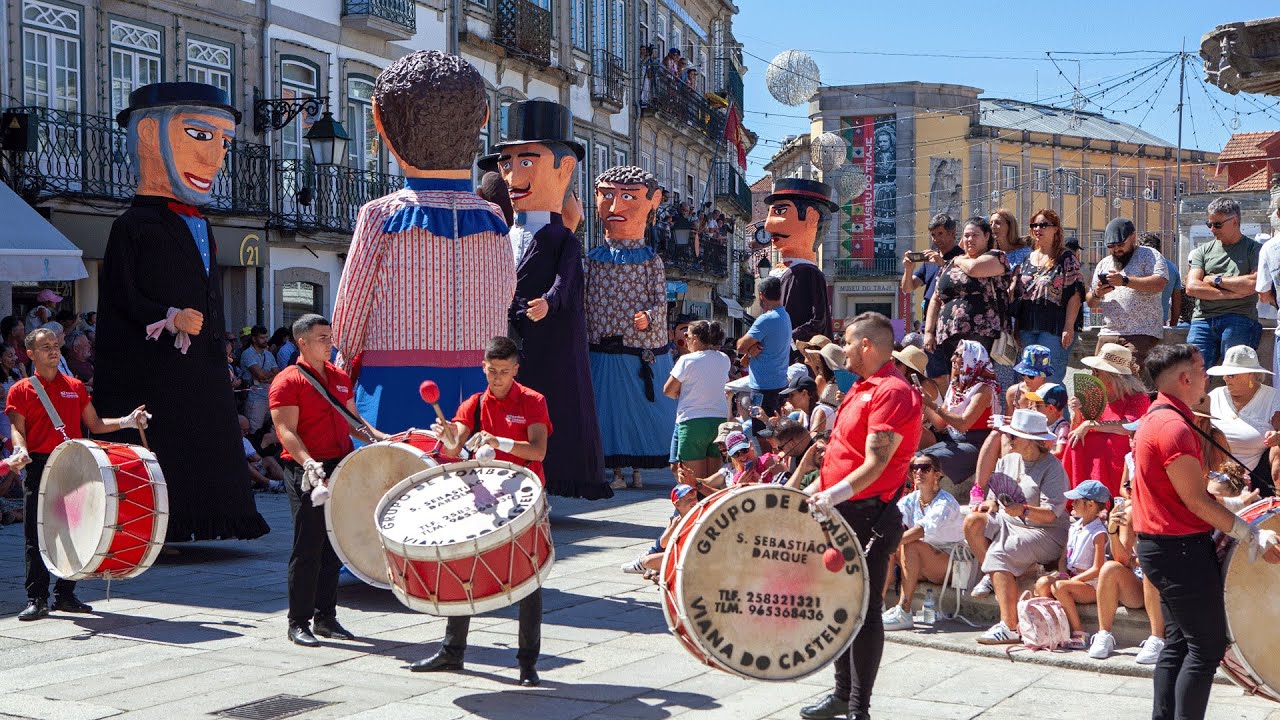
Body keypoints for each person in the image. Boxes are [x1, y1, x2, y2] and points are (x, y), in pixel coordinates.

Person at [94, 81, 268, 542]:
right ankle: (162, 523)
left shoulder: (201, 223)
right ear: (149, 135)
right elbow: (122, 295)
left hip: (202, 362)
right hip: (151, 368)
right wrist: (170, 317)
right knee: (168, 443)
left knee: (207, 440)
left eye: (224, 143)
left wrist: (217, 344)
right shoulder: (132, 225)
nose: (216, 158)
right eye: (199, 135)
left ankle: (214, 518)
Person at [332, 51, 516, 438]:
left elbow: (350, 313)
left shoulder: (381, 215)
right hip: (481, 385)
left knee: (396, 471)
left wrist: (343, 364)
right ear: (483, 118)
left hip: (394, 386)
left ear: (379, 120)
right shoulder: (494, 218)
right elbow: (506, 293)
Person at [1131, 343, 1280, 720]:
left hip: (1163, 547)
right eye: (1201, 372)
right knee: (1205, 648)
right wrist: (1251, 533)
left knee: (1179, 644)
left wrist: (1234, 506)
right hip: (1180, 550)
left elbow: (1184, 496)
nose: (1206, 379)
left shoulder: (1159, 417)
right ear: (1185, 379)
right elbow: (1196, 502)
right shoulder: (1173, 429)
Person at [800, 312, 922, 720]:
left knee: (864, 610)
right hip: (841, 510)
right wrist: (812, 492)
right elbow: (843, 455)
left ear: (866, 345)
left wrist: (831, 495)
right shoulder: (862, 387)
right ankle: (841, 694)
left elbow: (877, 462)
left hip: (868, 513)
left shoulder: (893, 391)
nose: (844, 348)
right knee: (838, 604)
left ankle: (857, 707)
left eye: (848, 341)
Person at [413, 336, 551, 687]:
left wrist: (500, 441)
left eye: (504, 371)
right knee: (463, 570)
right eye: (491, 371)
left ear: (516, 369)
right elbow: (455, 443)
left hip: (524, 499)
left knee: (528, 579)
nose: (497, 378)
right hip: (482, 497)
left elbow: (538, 451)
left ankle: (527, 664)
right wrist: (448, 437)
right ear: (483, 367)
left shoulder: (533, 400)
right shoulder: (473, 404)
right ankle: (452, 650)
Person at [497, 100, 607, 500]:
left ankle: (555, 476)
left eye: (527, 162)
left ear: (564, 169)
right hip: (512, 338)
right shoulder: (503, 235)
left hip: (551, 339)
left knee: (552, 405)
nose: (513, 174)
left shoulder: (563, 238)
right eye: (507, 163)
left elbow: (568, 281)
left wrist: (548, 301)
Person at [9, 328, 150, 620]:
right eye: (45, 347)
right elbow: (17, 429)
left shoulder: (74, 386)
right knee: (36, 534)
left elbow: (95, 424)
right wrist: (19, 450)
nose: (53, 350)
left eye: (55, 345)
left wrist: (128, 420)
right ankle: (37, 598)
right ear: (31, 354)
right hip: (39, 465)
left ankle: (65, 595)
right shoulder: (21, 389)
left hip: (73, 464)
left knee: (75, 530)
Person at [269, 314, 388, 647]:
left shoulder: (339, 376)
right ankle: (298, 622)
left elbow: (353, 421)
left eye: (330, 337)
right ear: (302, 342)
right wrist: (308, 463)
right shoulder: (287, 381)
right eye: (322, 338)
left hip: (341, 466)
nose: (329, 343)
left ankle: (325, 618)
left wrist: (382, 438)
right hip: (305, 468)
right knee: (308, 546)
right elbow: (285, 430)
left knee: (336, 545)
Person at [586, 166, 677, 488]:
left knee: (635, 413)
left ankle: (636, 470)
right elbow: (583, 299)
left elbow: (660, 301)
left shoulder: (650, 261)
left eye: (628, 197)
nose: (615, 206)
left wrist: (649, 317)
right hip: (601, 351)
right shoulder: (593, 259)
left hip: (638, 353)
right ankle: (617, 471)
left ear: (653, 201)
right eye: (607, 196)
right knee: (608, 414)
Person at [963, 408, 1069, 644]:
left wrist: (1024, 510)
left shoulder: (1053, 468)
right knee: (972, 522)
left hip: (1044, 531)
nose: (1007, 439)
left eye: (1012, 435)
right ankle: (994, 574)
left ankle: (1009, 626)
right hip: (1009, 522)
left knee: (1001, 553)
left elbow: (1051, 514)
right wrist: (989, 503)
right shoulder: (1008, 460)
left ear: (1029, 441)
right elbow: (994, 495)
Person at [882, 452, 964, 631]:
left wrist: (891, 541)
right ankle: (876, 604)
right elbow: (893, 523)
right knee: (890, 545)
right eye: (914, 468)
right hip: (921, 561)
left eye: (925, 468)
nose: (918, 472)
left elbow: (921, 531)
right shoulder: (911, 499)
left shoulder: (945, 502)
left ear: (937, 474)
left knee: (908, 544)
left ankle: (904, 611)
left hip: (950, 565)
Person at [1088, 480, 1166, 663]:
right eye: (1129, 488)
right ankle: (1104, 634)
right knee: (1109, 569)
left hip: (1166, 579)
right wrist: (1112, 532)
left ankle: (1157, 638)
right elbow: (1122, 560)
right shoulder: (1130, 513)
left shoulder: (1166, 509)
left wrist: (1138, 560)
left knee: (1151, 566)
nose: (1130, 493)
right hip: (1140, 584)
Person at [1185, 197, 1263, 369]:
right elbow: (1192, 287)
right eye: (1209, 224)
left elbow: (1253, 283)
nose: (1212, 229)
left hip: (1239, 317)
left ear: (1234, 221)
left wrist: (1216, 280)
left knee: (1235, 371)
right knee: (1192, 372)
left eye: (1217, 224)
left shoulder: (1254, 249)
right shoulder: (1202, 251)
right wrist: (1234, 293)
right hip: (1203, 319)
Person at [1032, 479, 1110, 649]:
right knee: (1043, 583)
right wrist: (1062, 574)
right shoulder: (1074, 526)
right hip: (1071, 579)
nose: (1072, 503)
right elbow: (1063, 558)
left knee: (1060, 587)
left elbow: (1098, 569)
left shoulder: (1099, 532)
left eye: (1077, 500)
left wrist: (1072, 581)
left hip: (1091, 585)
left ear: (1090, 505)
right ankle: (1054, 628)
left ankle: (1079, 632)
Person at [1064, 343, 1149, 498]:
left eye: (1097, 371)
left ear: (1113, 376)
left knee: (1107, 443)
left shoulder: (1137, 397)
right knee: (1075, 441)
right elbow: (1076, 429)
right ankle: (1079, 498)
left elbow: (1129, 426)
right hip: (1096, 449)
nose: (1092, 375)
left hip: (1120, 450)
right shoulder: (1093, 393)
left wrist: (1090, 424)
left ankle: (1102, 499)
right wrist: (1077, 412)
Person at [1087, 218, 1169, 375]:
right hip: (1108, 333)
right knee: (1099, 381)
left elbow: (1159, 283)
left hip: (1141, 333)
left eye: (1120, 245)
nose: (1116, 250)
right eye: (1111, 246)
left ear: (1133, 237)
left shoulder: (1149, 255)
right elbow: (1091, 302)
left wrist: (1125, 281)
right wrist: (1097, 293)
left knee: (1131, 380)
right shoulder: (1104, 264)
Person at [1010, 209, 1083, 385]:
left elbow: (1075, 294)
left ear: (1055, 229)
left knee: (1050, 380)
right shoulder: (1027, 258)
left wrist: (1068, 326)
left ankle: (1056, 405)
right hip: (1027, 326)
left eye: (1043, 225)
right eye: (1034, 225)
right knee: (1029, 380)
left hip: (1054, 328)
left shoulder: (1066, 258)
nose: (1037, 229)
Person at [923, 216, 1010, 363]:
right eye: (966, 235)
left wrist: (957, 260)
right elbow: (936, 299)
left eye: (975, 235)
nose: (970, 239)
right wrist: (929, 332)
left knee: (977, 374)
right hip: (949, 335)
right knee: (955, 376)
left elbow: (973, 269)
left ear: (987, 236)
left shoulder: (996, 256)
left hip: (982, 333)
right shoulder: (949, 264)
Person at [763, 178, 837, 350]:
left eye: (780, 212)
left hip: (798, 357)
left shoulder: (809, 273)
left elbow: (818, 320)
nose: (767, 226)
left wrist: (787, 340)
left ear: (812, 217)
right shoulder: (781, 272)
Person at [920, 340, 1001, 492]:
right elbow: (940, 424)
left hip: (975, 445)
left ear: (971, 358)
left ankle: (931, 497)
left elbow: (963, 424)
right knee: (913, 459)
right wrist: (924, 402)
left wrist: (932, 404)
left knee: (924, 463)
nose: (952, 359)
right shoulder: (956, 386)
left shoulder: (983, 389)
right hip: (954, 441)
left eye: (958, 355)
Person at [1207, 345, 1280, 497]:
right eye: (1225, 374)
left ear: (1251, 375)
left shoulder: (1273, 398)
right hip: (1215, 471)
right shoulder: (1214, 396)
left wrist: (1278, 435)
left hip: (1259, 474)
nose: (1225, 378)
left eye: (1231, 374)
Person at [665, 320, 730, 483]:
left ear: (695, 339)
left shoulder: (687, 360)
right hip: (719, 420)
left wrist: (681, 392)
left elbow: (668, 390)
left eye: (687, 335)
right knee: (711, 482)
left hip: (692, 421)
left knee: (692, 481)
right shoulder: (724, 359)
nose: (685, 338)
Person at [901, 213, 962, 385]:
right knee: (936, 376)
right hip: (930, 328)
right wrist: (908, 269)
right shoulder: (929, 261)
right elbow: (907, 288)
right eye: (933, 235)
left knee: (956, 374)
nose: (936, 239)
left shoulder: (962, 257)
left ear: (952, 233)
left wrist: (943, 264)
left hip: (953, 326)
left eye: (940, 234)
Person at [736, 276, 792, 416]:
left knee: (761, 428)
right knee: (775, 426)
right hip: (780, 384)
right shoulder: (785, 316)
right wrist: (750, 353)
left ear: (761, 295)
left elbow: (740, 347)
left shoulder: (766, 319)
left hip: (763, 388)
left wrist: (748, 351)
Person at [240, 325, 280, 434]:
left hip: (269, 396)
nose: (265, 340)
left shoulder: (269, 354)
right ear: (254, 339)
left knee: (269, 430)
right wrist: (269, 375)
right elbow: (260, 375)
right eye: (262, 338)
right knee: (254, 430)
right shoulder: (248, 354)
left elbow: (279, 374)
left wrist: (266, 377)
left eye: (266, 337)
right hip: (254, 398)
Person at [1143, 233, 1184, 329]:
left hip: (1134, 324)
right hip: (1160, 324)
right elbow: (1176, 301)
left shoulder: (1137, 267)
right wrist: (1173, 325)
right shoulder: (1172, 268)